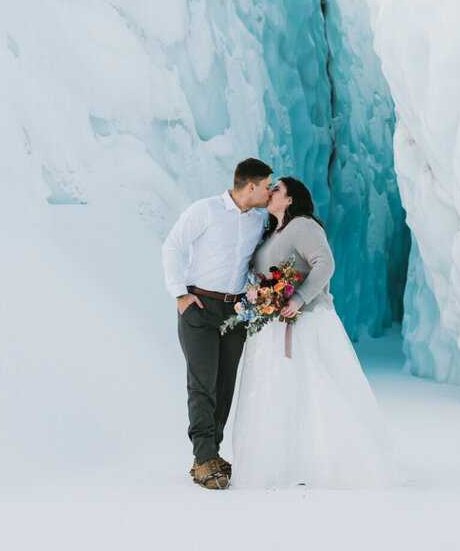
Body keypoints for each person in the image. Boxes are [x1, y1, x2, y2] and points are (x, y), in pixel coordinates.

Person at [231, 176, 406, 488]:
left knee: (312, 390)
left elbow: (325, 264)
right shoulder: (274, 232)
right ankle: (290, 462)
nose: (271, 194)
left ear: (291, 200)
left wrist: (296, 299)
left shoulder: (302, 226)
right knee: (281, 394)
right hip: (274, 324)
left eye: (277, 190)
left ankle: (324, 462)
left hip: (305, 322)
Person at [162, 158, 273, 490]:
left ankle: (209, 454)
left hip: (235, 311)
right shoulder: (205, 210)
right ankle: (204, 456)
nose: (270, 191)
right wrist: (180, 295)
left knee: (224, 385)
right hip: (199, 306)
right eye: (268, 186)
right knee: (202, 384)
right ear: (249, 186)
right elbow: (172, 247)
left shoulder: (258, 221)